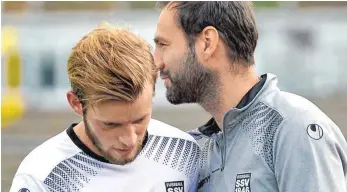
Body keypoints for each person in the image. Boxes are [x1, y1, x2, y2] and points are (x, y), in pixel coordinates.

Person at [153, 1, 347, 192]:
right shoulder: (198, 148)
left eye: (163, 44)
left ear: (207, 43)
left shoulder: (292, 128)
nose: (157, 61)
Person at [9, 23, 200, 192]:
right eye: (111, 125)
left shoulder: (184, 152)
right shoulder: (42, 177)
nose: (129, 139)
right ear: (76, 104)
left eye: (140, 120)